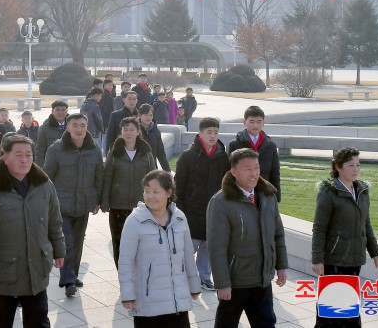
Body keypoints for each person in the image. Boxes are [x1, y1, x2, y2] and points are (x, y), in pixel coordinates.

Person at [0, 133, 66, 328]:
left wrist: (59, 249)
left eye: (28, 155)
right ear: (5, 157)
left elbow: (54, 221)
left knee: (38, 322)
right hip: (3, 273)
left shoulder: (43, 184)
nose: (24, 160)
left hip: (35, 269)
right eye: (18, 154)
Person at [207, 149, 288, 328]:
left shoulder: (268, 196)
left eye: (256, 167)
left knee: (266, 324)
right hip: (236, 282)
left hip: (262, 279)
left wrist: (281, 265)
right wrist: (222, 283)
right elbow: (216, 247)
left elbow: (278, 234)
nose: (254, 173)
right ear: (234, 172)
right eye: (247, 169)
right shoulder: (221, 202)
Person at [311, 147, 378, 328]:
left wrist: (375, 252)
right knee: (331, 309)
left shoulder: (362, 191)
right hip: (335, 259)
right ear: (338, 167)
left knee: (349, 305)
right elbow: (319, 228)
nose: (356, 169)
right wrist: (317, 259)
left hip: (354, 258)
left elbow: (366, 224)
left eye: (358, 165)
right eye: (350, 165)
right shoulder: (329, 192)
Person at [119, 170, 201, 327]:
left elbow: (188, 256)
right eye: (147, 191)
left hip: (177, 302)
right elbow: (125, 261)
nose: (150, 196)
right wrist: (127, 294)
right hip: (148, 303)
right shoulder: (135, 221)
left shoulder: (179, 217)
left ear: (169, 192)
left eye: (156, 192)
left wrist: (194, 285)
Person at [43, 113, 103, 297]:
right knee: (67, 242)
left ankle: (73, 274)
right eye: (75, 125)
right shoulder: (57, 149)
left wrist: (97, 201)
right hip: (62, 206)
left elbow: (99, 176)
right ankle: (68, 280)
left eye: (83, 125)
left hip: (84, 204)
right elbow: (47, 177)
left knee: (78, 242)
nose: (79, 129)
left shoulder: (94, 149)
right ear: (67, 127)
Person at [175, 117, 229, 292]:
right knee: (189, 247)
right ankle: (183, 278)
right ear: (200, 133)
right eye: (209, 132)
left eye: (215, 132)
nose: (213, 136)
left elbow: (227, 184)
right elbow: (179, 184)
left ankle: (205, 278)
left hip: (214, 211)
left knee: (208, 247)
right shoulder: (188, 156)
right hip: (191, 210)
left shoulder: (223, 156)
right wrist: (180, 208)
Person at [102, 117, 157, 268]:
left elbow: (154, 179)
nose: (128, 133)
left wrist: (156, 203)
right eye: (125, 129)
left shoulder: (146, 153)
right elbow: (107, 178)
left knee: (141, 243)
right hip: (118, 205)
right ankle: (123, 275)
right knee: (119, 242)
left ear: (138, 132)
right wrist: (104, 202)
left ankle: (138, 277)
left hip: (141, 206)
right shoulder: (114, 153)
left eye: (132, 129)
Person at [228, 105, 281, 201]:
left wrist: (276, 197)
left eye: (259, 122)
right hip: (241, 194)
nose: (255, 125)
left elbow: (275, 173)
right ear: (245, 122)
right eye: (251, 122)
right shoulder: (235, 145)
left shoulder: (270, 146)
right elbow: (230, 172)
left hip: (264, 193)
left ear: (264, 123)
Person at [137, 103, 171, 171]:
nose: (149, 118)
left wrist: (167, 171)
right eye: (146, 115)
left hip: (152, 167)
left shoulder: (155, 131)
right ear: (140, 115)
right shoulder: (135, 130)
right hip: (137, 168)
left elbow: (160, 152)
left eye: (150, 115)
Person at [35, 100, 68, 167]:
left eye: (63, 110)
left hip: (69, 165)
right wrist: (41, 170)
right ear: (52, 111)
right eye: (57, 110)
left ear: (67, 111)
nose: (60, 112)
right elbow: (40, 151)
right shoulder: (44, 128)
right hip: (52, 165)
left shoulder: (73, 126)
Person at [80, 88, 105, 153]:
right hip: (94, 131)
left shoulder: (84, 104)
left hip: (84, 130)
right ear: (96, 95)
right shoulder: (95, 106)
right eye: (100, 96)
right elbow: (99, 120)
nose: (101, 98)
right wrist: (102, 130)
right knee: (96, 150)